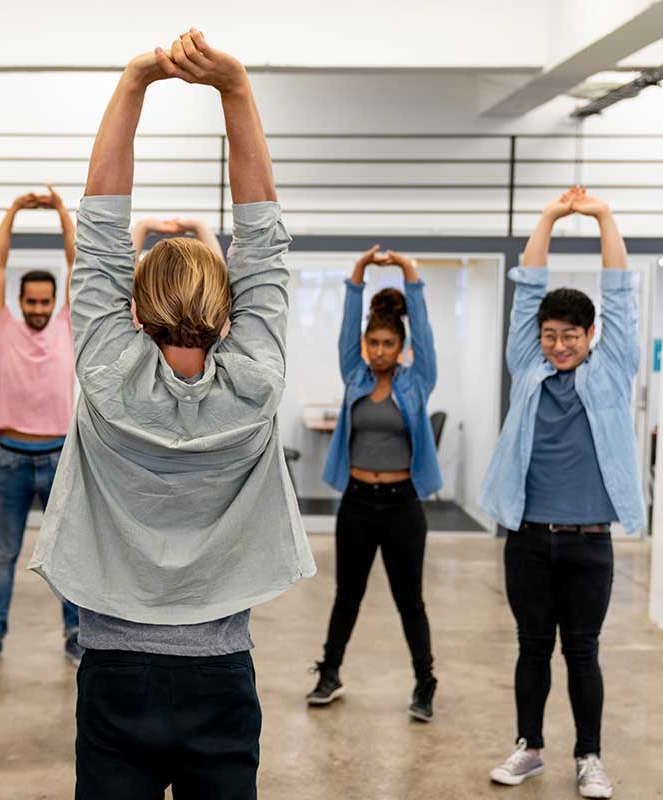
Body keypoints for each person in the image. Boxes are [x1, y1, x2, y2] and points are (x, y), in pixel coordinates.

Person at [28, 29, 315, 799]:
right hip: (220, 673)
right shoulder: (256, 381)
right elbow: (263, 243)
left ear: (133, 309)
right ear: (228, 311)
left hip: (115, 673)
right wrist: (235, 89)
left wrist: (135, 81)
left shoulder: (103, 372)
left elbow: (97, 232)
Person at [480, 187, 644, 799]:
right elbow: (528, 287)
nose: (558, 345)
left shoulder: (611, 364)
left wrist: (601, 216)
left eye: (570, 335)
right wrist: (548, 216)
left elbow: (621, 291)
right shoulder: (528, 364)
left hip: (589, 541)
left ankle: (589, 756)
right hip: (527, 537)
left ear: (590, 333)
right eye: (550, 334)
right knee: (530, 648)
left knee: (582, 652)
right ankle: (530, 748)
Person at [309, 246, 442, 721]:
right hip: (359, 502)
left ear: (400, 347)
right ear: (366, 346)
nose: (381, 351)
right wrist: (358, 274)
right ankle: (330, 672)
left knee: (411, 600)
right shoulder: (354, 377)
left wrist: (410, 273)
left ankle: (424, 683)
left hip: (403, 504)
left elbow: (423, 333)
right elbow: (348, 328)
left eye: (389, 344)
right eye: (375, 344)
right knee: (348, 593)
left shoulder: (417, 380)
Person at [0, 186, 82, 668]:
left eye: (43, 301)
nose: (36, 308)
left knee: (67, 555)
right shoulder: (3, 325)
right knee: (4, 555)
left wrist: (59, 214)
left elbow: (79, 265)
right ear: (19, 300)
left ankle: (76, 634)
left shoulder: (67, 324)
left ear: (54, 301)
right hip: (12, 458)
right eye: (29, 301)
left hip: (60, 456)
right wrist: (11, 210)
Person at [132, 216, 224, 260]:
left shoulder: (143, 296)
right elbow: (218, 277)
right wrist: (200, 227)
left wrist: (142, 227)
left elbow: (127, 273)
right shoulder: (207, 296)